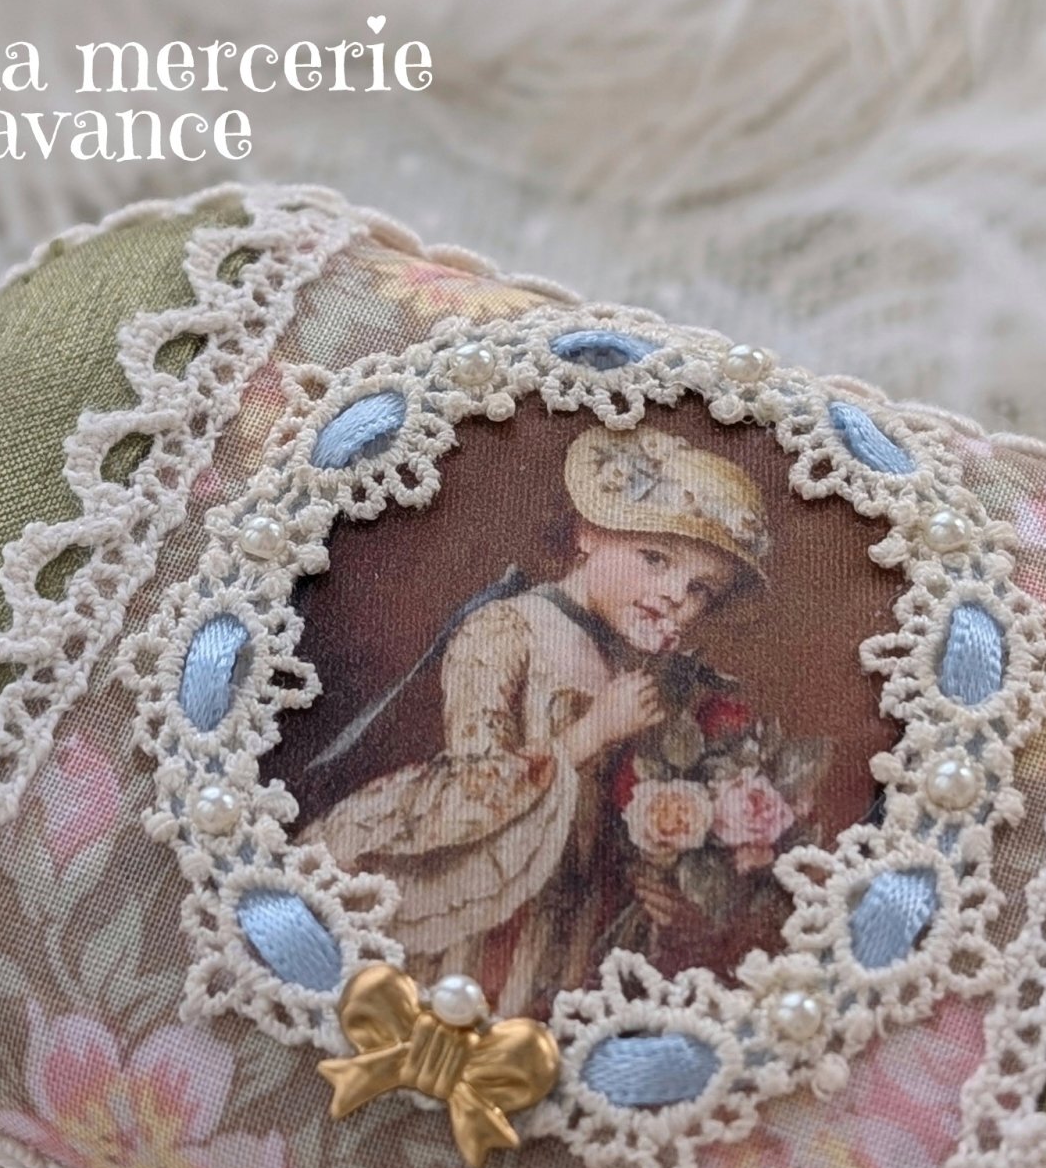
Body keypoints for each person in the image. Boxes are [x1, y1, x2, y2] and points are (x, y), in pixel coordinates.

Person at [298, 424, 770, 1018]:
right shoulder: (509, 628)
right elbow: (468, 784)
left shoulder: (638, 673)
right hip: (477, 892)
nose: (676, 595)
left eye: (699, 589)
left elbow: (607, 806)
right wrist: (594, 731)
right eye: (655, 559)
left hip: (566, 909)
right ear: (589, 533)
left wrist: (644, 874)